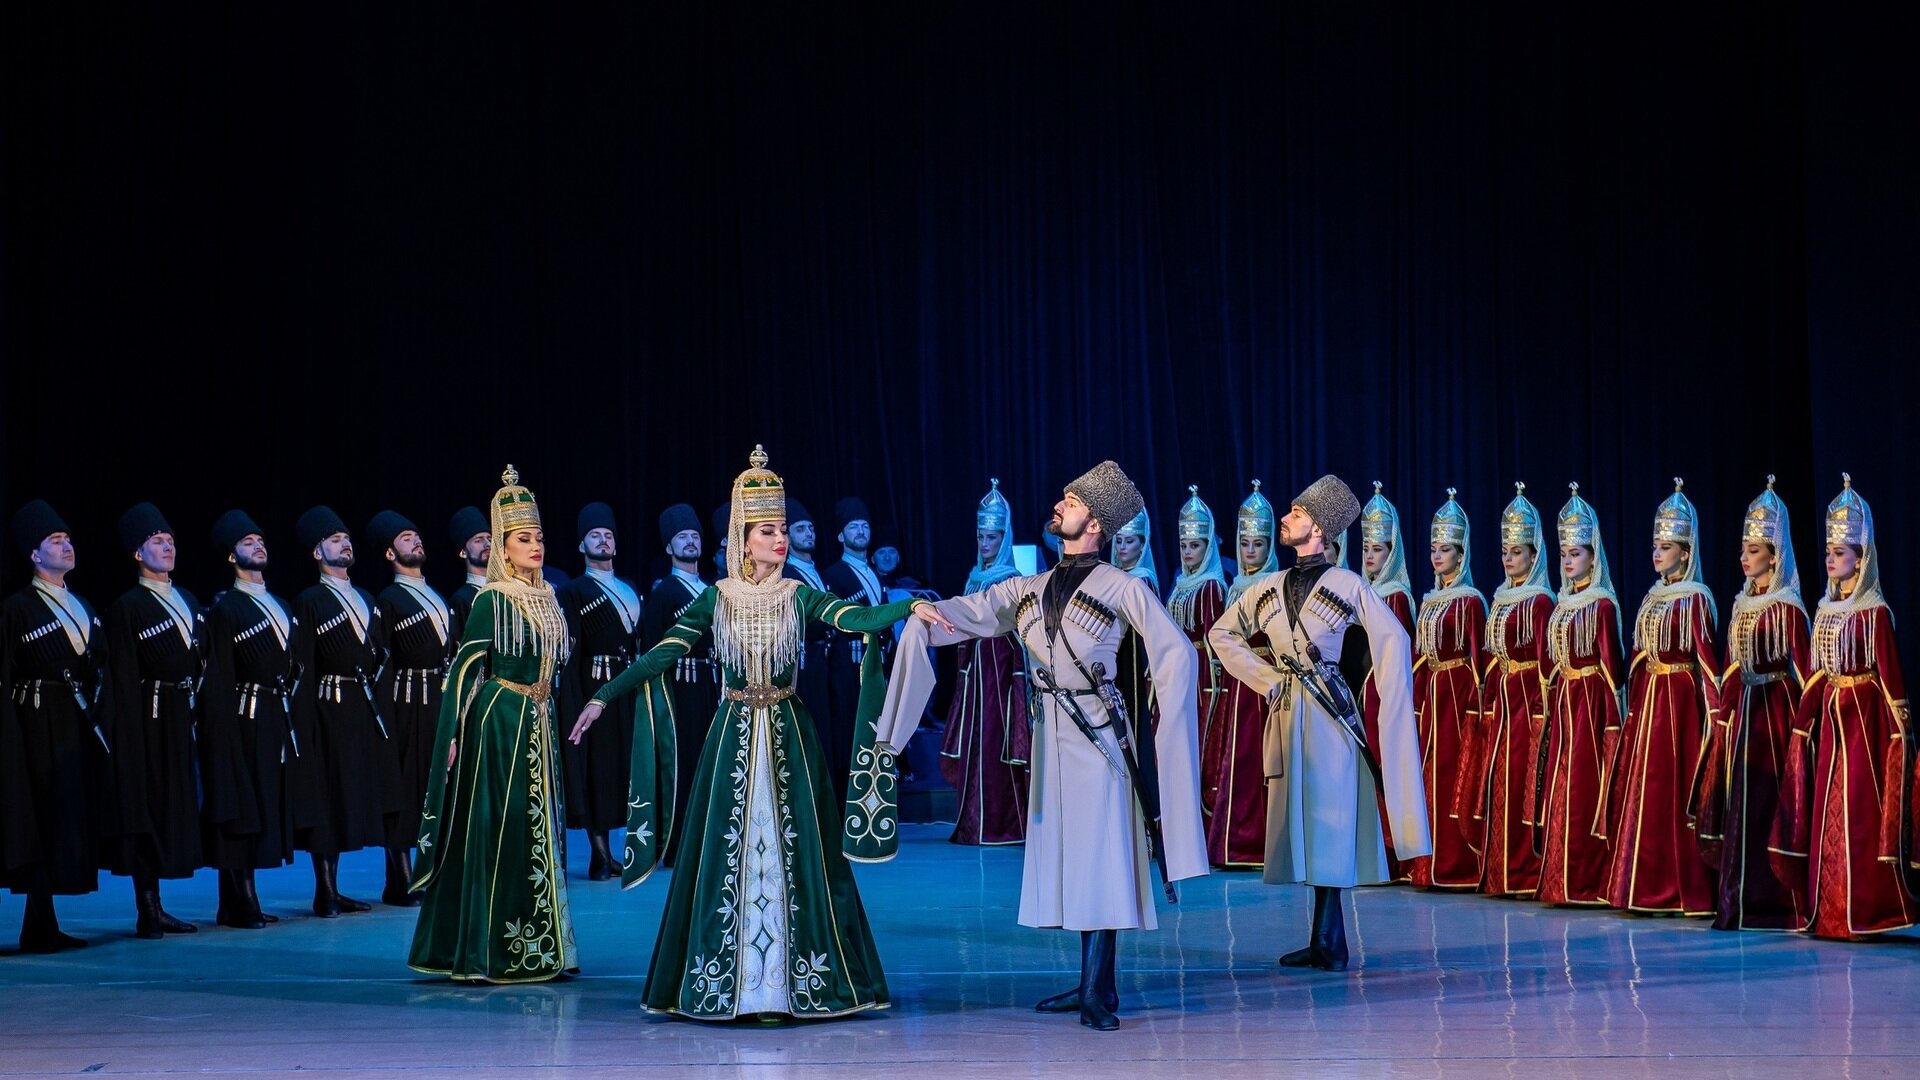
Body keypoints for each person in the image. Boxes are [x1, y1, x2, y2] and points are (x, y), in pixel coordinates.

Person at [572, 446, 947, 1021]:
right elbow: (661, 654)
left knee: (803, 852)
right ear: (743, 540)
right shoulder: (718, 598)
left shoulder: (798, 594)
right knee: (725, 846)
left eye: (781, 530)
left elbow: (853, 618)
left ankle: (797, 982)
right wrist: (603, 696)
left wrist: (908, 608)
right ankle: (734, 981)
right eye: (766, 531)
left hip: (790, 732)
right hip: (733, 735)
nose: (779, 540)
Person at [876, 460, 1205, 1031]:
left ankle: (1097, 990)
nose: (1059, 506)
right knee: (1073, 857)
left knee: (1102, 855)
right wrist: (925, 612)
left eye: (1071, 503)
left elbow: (1176, 652)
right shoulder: (1029, 588)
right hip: (1051, 739)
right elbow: (972, 614)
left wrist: (1163, 725)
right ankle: (1093, 984)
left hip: (1100, 736)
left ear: (1095, 524)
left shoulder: (1124, 588)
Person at [1209, 476, 1429, 973]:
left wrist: (1382, 698)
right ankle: (1325, 938)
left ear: (1320, 529)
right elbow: (1222, 633)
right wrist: (1266, 679)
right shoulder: (1267, 587)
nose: (1286, 519)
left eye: (1296, 513)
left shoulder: (1349, 585)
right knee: (1305, 824)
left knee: (1330, 818)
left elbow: (1393, 639)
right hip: (1288, 713)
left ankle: (1331, 940)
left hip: (1331, 716)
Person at [409, 466, 579, 983]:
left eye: (539, 537)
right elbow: (466, 668)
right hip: (500, 720)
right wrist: (452, 733)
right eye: (523, 539)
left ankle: (543, 946)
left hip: (539, 719)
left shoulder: (548, 596)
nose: (536, 546)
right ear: (502, 548)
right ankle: (490, 949)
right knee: (500, 830)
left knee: (539, 828)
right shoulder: (492, 598)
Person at [1774, 475, 1914, 940]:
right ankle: (1830, 908)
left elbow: (1891, 679)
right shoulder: (1825, 612)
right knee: (1827, 807)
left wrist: (1900, 736)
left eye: (1840, 553)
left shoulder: (1875, 613)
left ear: (1861, 557)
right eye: (1828, 553)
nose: (1831, 560)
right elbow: (1818, 674)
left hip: (1865, 721)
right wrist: (1803, 725)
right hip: (1834, 719)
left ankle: (1869, 908)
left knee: (1860, 807)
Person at [1691, 477, 1809, 931]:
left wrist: (1805, 730)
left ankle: (1776, 903)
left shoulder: (1787, 607)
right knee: (1740, 807)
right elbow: (1730, 666)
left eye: (1754, 550)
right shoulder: (1742, 604)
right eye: (1743, 548)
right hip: (1745, 711)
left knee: (1769, 805)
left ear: (1774, 556)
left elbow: (1804, 671)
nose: (1744, 557)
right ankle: (1739, 902)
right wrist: (1722, 717)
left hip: (1775, 713)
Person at [1599, 480, 1721, 916]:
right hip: (1650, 701)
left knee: (1672, 790)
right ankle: (1642, 884)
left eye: (1666, 547)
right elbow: (1638, 653)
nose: (1657, 553)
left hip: (1679, 706)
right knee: (1644, 795)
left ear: (1686, 553)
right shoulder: (1652, 597)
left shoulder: (1696, 599)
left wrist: (1715, 717)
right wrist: (1632, 705)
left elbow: (1706, 660)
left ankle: (1679, 887)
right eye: (1655, 546)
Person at [1, 500, 107, 951]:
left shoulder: (83, 605)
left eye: (67, 539)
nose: (66, 546)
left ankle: (43, 921)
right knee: (39, 814)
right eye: (55, 540)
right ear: (33, 554)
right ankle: (37, 922)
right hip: (37, 720)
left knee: (64, 815)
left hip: (74, 721)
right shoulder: (17, 609)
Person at [99, 502, 204, 939]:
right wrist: (128, 732)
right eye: (157, 542)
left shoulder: (188, 600)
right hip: (148, 715)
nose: (168, 547)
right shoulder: (128, 607)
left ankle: (159, 904)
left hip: (182, 713)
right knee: (148, 805)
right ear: (138, 554)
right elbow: (123, 675)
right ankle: (147, 907)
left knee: (175, 805)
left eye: (171, 541)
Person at [289, 505, 395, 917]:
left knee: (352, 794)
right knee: (328, 795)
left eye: (347, 539)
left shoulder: (367, 598)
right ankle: (325, 889)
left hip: (362, 706)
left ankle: (339, 886)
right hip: (327, 706)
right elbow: (304, 666)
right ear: (317, 552)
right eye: (335, 540)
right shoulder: (309, 601)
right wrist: (306, 724)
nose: (345, 544)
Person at [198, 510, 298, 929]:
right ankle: (240, 898)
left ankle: (234, 900)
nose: (257, 546)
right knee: (241, 802)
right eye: (247, 542)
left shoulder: (281, 604)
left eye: (260, 540)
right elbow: (220, 675)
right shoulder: (227, 609)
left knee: (261, 803)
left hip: (275, 714)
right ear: (231, 556)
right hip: (244, 714)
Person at [1533, 484, 1621, 906]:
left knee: (1584, 787)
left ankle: (1586, 879)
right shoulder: (1562, 604)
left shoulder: (1601, 605)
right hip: (1565, 701)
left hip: (1590, 703)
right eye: (1564, 554)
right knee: (1559, 784)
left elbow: (1611, 667)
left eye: (1576, 554)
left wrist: (1612, 722)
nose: (1568, 561)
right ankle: (1558, 881)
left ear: (1592, 555)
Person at [938, 479, 1031, 846]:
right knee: (974, 741)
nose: (984, 543)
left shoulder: (1010, 579)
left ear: (1004, 539)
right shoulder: (974, 577)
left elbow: (1018, 633)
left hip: (1000, 673)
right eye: (980, 536)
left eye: (991, 537)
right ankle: (972, 822)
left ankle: (1002, 824)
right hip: (974, 673)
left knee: (996, 744)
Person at [368, 509, 451, 906]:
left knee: (436, 784)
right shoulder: (388, 600)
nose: (415, 541)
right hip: (404, 700)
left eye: (416, 535)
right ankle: (399, 877)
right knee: (403, 786)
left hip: (438, 696)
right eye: (405, 538)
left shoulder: (437, 595)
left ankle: (433, 869)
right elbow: (382, 662)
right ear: (390, 554)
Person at [556, 502, 642, 881]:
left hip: (625, 685)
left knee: (623, 765)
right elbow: (572, 652)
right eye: (595, 536)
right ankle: (600, 854)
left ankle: (617, 851)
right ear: (582, 545)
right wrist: (573, 699)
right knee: (598, 767)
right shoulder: (573, 592)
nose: (603, 541)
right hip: (592, 685)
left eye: (608, 536)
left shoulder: (629, 589)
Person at [1407, 489, 1485, 890]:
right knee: (1427, 772)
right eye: (1434, 549)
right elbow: (1420, 655)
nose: (1437, 556)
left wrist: (1475, 706)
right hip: (1433, 694)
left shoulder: (1470, 601)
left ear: (1461, 553)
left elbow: (1478, 658)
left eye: (1446, 549)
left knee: (1452, 771)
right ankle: (1427, 863)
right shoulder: (1429, 599)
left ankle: (1456, 863)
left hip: (1456, 694)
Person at [1202, 481, 1283, 869]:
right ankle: (1234, 842)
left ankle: (1263, 843)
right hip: (1238, 685)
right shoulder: (1234, 587)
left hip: (1263, 682)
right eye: (1246, 543)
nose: (1251, 551)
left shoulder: (1274, 585)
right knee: (1235, 759)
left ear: (1270, 547)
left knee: (1261, 760)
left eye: (1259, 544)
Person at [643, 503, 715, 867]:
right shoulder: (664, 592)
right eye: (682, 537)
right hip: (679, 686)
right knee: (683, 760)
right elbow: (652, 646)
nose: (690, 542)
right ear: (669, 547)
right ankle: (679, 843)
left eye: (695, 536)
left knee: (710, 758)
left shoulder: (714, 589)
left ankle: (710, 837)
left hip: (712, 683)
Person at [821, 496, 888, 805]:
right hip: (848, 664)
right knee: (852, 726)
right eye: (853, 527)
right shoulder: (834, 574)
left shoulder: (875, 572)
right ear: (840, 536)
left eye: (864, 526)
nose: (860, 531)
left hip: (877, 661)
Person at [1167, 485, 1228, 743]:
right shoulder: (1180, 583)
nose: (1188, 552)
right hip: (1179, 664)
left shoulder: (1211, 585)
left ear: (1208, 547)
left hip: (1200, 667)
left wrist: (1214, 681)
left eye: (1195, 545)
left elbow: (1214, 635)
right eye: (1184, 546)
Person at [446, 506, 491, 648]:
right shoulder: (461, 600)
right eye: (478, 540)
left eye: (489, 538)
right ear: (463, 552)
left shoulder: (508, 589)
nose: (487, 544)